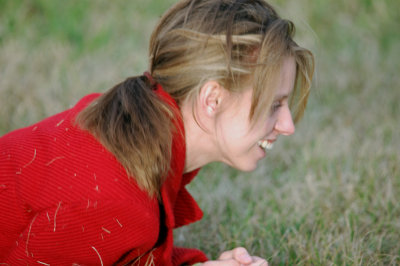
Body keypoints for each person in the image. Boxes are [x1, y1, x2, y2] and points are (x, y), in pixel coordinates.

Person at [0, 0, 314, 265]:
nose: (288, 126)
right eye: (274, 104)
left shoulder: (126, 128)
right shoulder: (116, 199)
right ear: (212, 99)